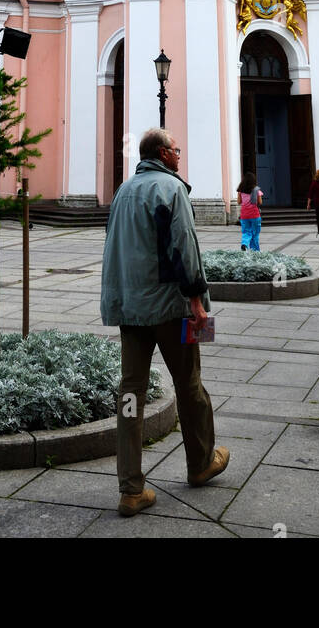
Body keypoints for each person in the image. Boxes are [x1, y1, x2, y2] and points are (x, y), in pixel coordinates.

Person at [101, 126, 229, 518]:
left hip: (130, 308)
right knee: (189, 385)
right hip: (170, 307)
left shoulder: (123, 191)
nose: (180, 155)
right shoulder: (171, 189)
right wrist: (196, 299)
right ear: (162, 153)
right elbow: (184, 246)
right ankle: (201, 462)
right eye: (176, 149)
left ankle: (130, 489)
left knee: (130, 395)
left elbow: (112, 244)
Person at [237, 171, 263, 251]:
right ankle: (255, 251)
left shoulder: (240, 191)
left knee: (246, 232)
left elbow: (239, 202)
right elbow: (260, 202)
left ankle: (244, 244)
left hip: (244, 215)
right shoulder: (256, 190)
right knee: (255, 233)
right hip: (254, 215)